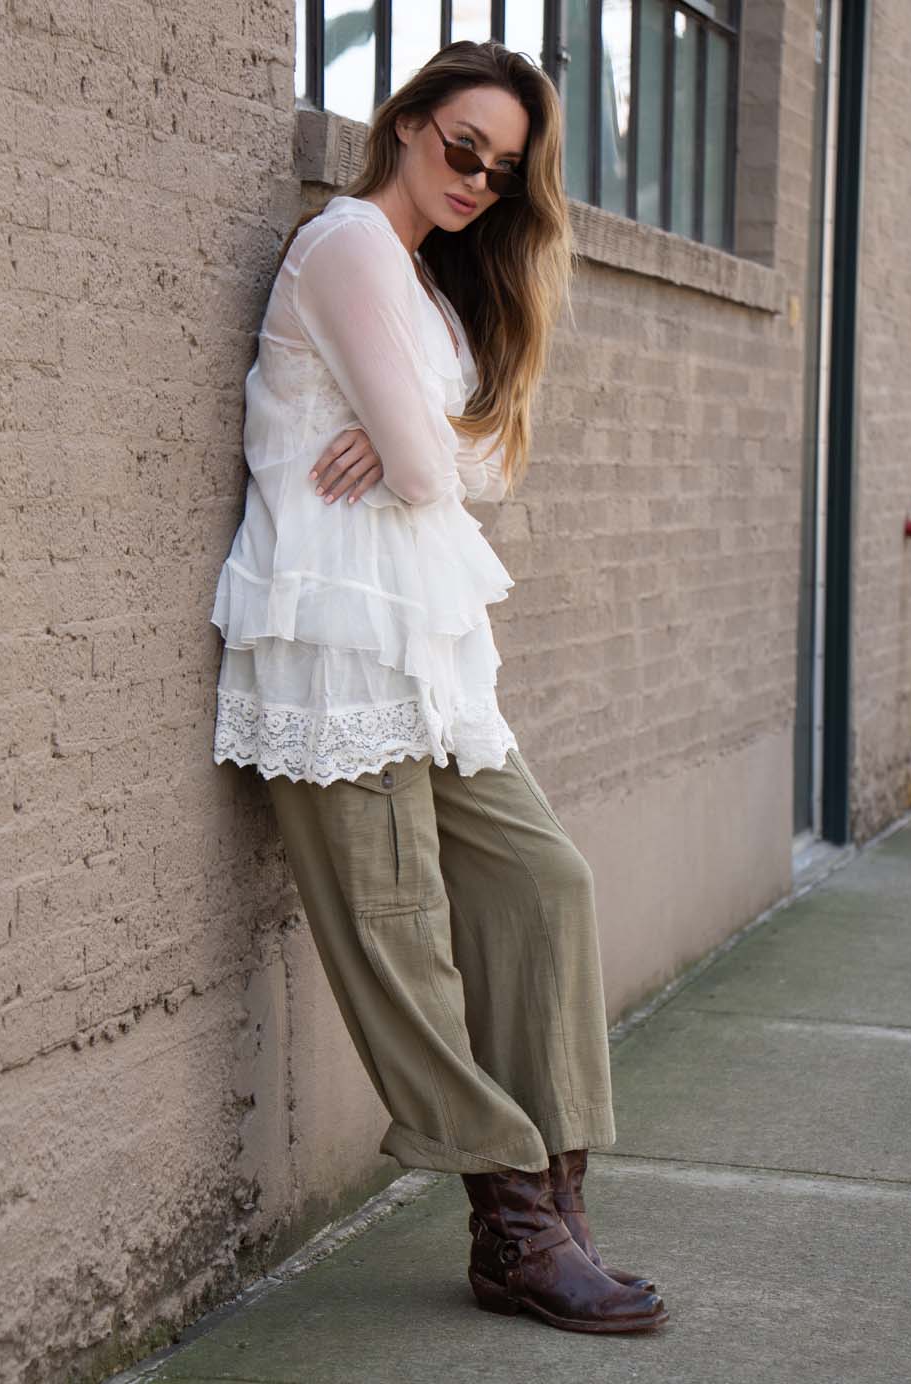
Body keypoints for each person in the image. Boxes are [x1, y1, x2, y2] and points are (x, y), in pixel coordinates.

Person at [209, 39, 668, 1334]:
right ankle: (513, 1219)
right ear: (405, 123)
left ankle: (556, 1188)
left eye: (503, 171)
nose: (477, 181)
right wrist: (421, 442)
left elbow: (478, 467)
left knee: (543, 880)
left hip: (424, 640)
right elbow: (424, 473)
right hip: (334, 634)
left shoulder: (428, 285)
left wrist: (425, 436)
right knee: (399, 930)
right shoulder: (350, 241)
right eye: (462, 147)